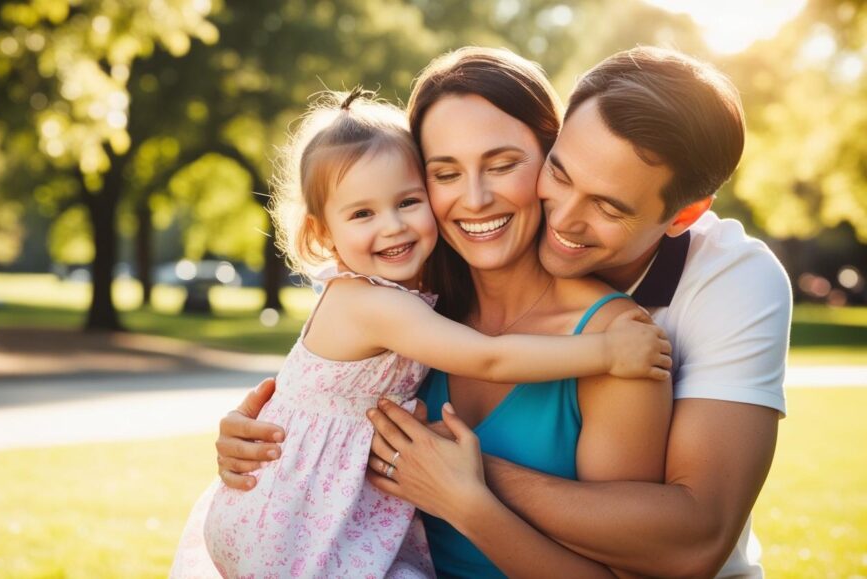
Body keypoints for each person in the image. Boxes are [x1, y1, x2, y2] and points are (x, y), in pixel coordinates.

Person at [170, 87, 671, 578]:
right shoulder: (392, 304)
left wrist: (469, 501)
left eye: (406, 202)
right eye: (446, 172)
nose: (392, 227)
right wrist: (605, 354)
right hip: (291, 525)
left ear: (550, 167)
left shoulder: (411, 300)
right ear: (322, 233)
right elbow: (488, 357)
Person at [363, 47, 791, 577]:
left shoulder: (725, 284)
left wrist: (462, 483)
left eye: (609, 207)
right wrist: (270, 430)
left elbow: (696, 537)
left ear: (681, 215)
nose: (561, 220)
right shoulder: (419, 284)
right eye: (560, 176)